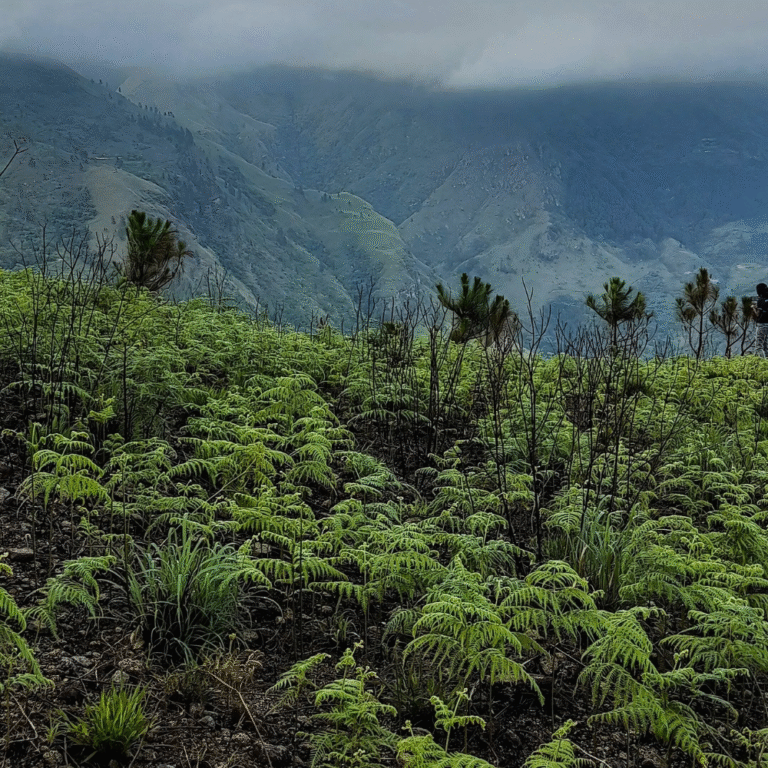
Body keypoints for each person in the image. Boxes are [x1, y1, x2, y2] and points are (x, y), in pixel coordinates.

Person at [756, 283, 768, 357]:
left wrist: (753, 308)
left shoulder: (760, 300)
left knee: (759, 346)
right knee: (766, 345)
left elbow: (758, 314)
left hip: (762, 324)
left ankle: (760, 363)